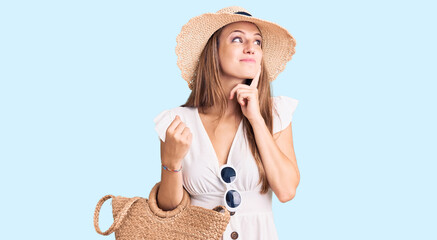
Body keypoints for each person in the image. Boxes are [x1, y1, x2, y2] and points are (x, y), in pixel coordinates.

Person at [153, 6, 300, 240]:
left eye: (258, 42)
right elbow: (169, 210)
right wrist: (171, 161)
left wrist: (256, 119)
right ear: (214, 50)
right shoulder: (177, 122)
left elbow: (286, 191)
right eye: (238, 39)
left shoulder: (275, 113)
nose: (251, 48)